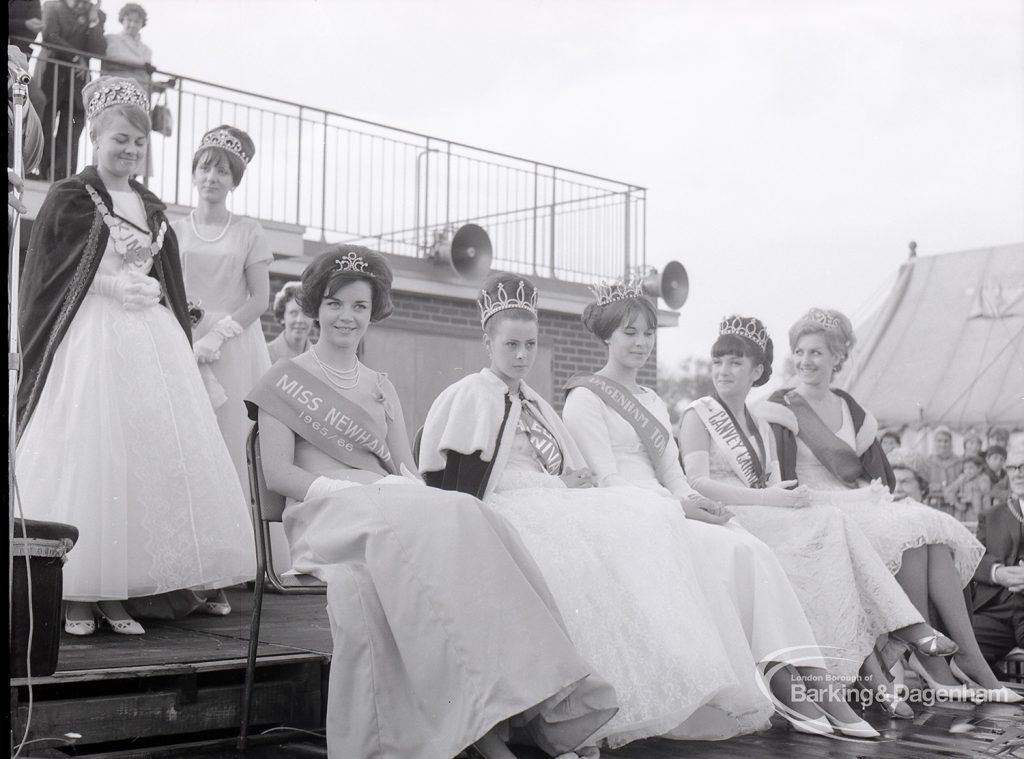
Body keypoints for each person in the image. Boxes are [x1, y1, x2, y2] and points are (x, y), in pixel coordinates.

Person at [422, 273, 836, 747]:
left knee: (740, 548)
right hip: (534, 503)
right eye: (511, 345)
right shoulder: (479, 394)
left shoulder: (536, 401)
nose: (521, 356)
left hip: (580, 500)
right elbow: (464, 477)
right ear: (487, 342)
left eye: (529, 345)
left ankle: (786, 681)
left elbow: (580, 467)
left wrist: (677, 501)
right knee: (604, 560)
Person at [247, 248, 618, 759]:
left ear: (373, 312)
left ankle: (539, 705)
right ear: (316, 307)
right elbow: (277, 472)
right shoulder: (284, 380)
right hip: (325, 513)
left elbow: (406, 470)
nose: (347, 316)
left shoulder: (381, 387)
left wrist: (399, 488)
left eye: (359, 306)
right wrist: (345, 489)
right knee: (439, 527)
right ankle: (490, 739)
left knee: (470, 515)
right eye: (335, 304)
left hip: (386, 508)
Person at [562, 287, 898, 737]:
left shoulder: (652, 399)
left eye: (647, 333)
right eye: (630, 333)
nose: (641, 342)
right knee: (738, 555)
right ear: (607, 336)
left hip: (667, 504)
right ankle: (800, 697)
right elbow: (607, 481)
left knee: (753, 549)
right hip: (628, 515)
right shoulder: (586, 398)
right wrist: (680, 506)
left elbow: (672, 472)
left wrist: (697, 503)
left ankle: (819, 694)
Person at [15, 77, 254, 636]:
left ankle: (125, 592)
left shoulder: (150, 206)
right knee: (92, 452)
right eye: (119, 139)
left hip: (150, 342)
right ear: (94, 136)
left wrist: (153, 291)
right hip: (89, 341)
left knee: (146, 456)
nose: (129, 150)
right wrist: (111, 288)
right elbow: (52, 277)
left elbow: (161, 270)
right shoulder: (71, 197)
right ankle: (79, 593)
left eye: (139, 144)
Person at [675, 313, 954, 718]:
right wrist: (772, 500)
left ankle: (886, 666)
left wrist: (790, 497)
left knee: (830, 534)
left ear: (757, 372)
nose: (724, 371)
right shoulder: (698, 415)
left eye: (735, 363)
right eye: (718, 362)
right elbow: (696, 482)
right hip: (727, 516)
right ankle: (907, 635)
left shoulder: (761, 424)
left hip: (761, 515)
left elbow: (773, 482)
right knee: (828, 530)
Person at [759, 307, 1018, 703]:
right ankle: (932, 660)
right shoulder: (781, 407)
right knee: (909, 531)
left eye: (815, 352)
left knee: (929, 528)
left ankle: (969, 657)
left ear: (836, 358)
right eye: (800, 351)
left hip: (859, 502)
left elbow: (876, 473)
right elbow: (785, 482)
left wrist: (879, 494)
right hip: (814, 509)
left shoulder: (850, 407)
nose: (805, 361)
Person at [173, 127, 271, 485]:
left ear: (234, 181)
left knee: (230, 435)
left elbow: (260, 298)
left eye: (222, 171)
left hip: (232, 344)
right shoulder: (175, 230)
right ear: (195, 173)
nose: (211, 177)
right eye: (205, 168)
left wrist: (218, 335)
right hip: (184, 338)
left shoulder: (249, 231)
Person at [38, 0, 106, 181]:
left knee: (71, 131)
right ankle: (40, 173)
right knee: (44, 125)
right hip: (52, 75)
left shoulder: (97, 14)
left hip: (78, 83)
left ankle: (62, 178)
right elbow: (50, 35)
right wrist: (76, 58)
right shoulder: (52, 6)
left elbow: (99, 50)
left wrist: (93, 21)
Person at [971, 443, 1024, 670]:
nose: (1017, 473)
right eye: (1012, 467)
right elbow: (973, 559)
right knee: (959, 655)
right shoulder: (991, 515)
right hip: (996, 610)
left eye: (1023, 466)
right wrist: (997, 573)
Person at [100, 4, 153, 92]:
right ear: (122, 20)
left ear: (142, 24)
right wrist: (142, 65)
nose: (132, 25)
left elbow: (145, 79)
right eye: (129, 20)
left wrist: (161, 85)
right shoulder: (111, 39)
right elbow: (113, 58)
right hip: (115, 91)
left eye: (137, 21)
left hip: (138, 95)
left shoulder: (146, 50)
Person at [266, 280, 313, 362]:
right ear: (282, 317)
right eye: (293, 313)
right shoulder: (265, 354)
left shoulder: (320, 360)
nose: (300, 320)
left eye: (306, 313)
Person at [943, 455, 991, 523]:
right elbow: (948, 491)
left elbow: (979, 493)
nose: (968, 471)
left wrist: (965, 497)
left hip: (979, 510)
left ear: (979, 468)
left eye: (971, 468)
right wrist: (957, 503)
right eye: (965, 468)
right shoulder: (962, 478)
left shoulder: (984, 479)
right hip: (963, 513)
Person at [925, 426, 961, 515]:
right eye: (939, 441)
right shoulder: (928, 462)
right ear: (934, 443)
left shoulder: (959, 462)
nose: (943, 444)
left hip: (953, 505)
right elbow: (924, 485)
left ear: (951, 443)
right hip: (933, 504)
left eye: (946, 441)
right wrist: (938, 487)